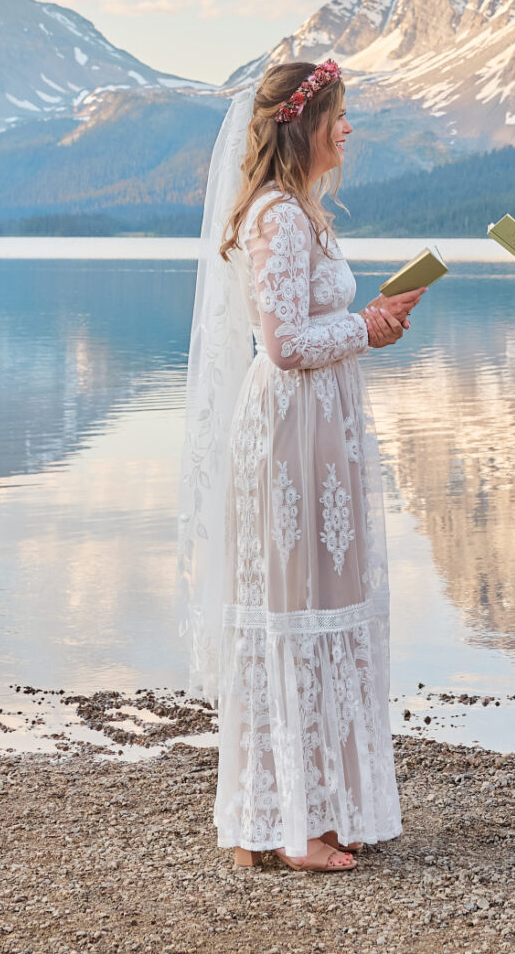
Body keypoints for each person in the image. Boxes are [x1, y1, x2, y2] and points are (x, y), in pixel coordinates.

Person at [176, 58, 424, 872]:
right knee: (291, 610)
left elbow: (308, 325)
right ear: (304, 124)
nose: (350, 129)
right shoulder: (279, 217)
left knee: (324, 602)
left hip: (324, 429)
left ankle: (313, 810)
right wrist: (366, 332)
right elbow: (281, 348)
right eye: (340, 116)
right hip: (291, 432)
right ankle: (283, 828)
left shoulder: (306, 214)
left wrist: (366, 321)